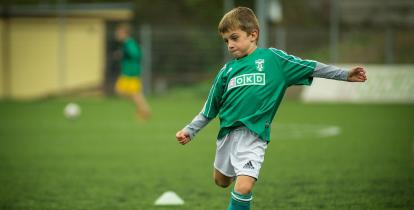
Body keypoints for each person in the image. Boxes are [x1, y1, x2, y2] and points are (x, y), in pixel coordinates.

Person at [175, 7, 367, 210]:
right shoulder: (226, 71)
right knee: (221, 181)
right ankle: (235, 170)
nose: (230, 45)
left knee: (243, 187)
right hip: (227, 136)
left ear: (253, 35)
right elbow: (210, 108)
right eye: (226, 41)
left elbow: (310, 66)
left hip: (254, 135)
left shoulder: (273, 60)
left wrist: (345, 74)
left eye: (234, 38)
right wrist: (190, 130)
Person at [114, 23, 151, 120]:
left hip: (131, 72)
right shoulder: (127, 43)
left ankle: (144, 111)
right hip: (128, 72)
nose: (117, 34)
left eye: (119, 33)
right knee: (125, 92)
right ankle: (142, 109)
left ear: (124, 33)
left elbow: (136, 54)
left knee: (133, 93)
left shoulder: (128, 43)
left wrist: (124, 54)